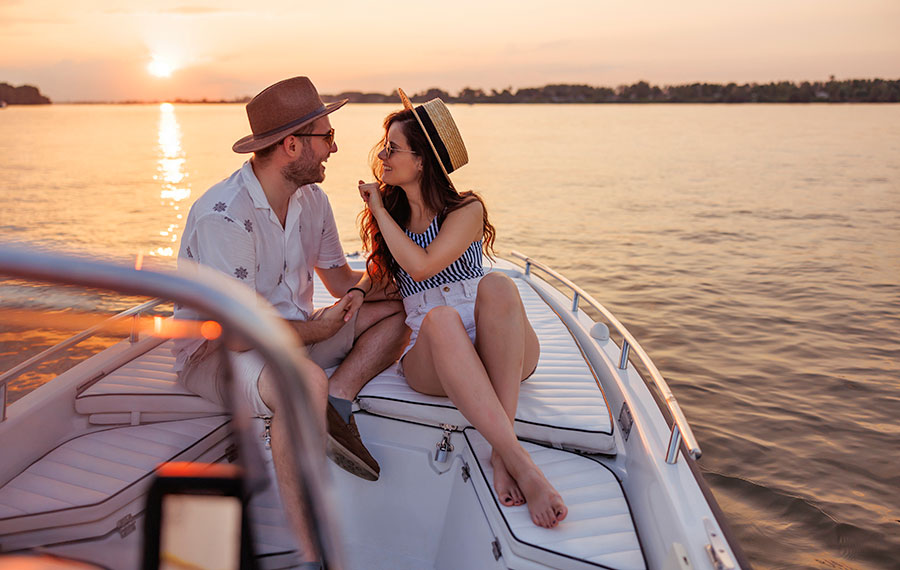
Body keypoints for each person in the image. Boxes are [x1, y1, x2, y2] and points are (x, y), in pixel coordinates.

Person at [173, 76, 409, 563]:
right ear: (292, 145)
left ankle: (337, 402)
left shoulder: (311, 200)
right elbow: (237, 338)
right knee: (302, 379)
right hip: (215, 354)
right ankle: (306, 554)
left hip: (292, 336)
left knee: (398, 310)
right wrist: (320, 329)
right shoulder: (224, 215)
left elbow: (342, 280)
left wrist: (419, 277)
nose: (335, 147)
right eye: (326, 136)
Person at [357, 89, 568, 528]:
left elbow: (422, 265)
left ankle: (502, 453)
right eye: (385, 147)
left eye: (393, 148)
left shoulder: (466, 209)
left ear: (422, 161)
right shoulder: (392, 219)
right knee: (440, 318)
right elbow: (381, 278)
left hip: (498, 349)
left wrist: (377, 208)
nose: (383, 156)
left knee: (498, 285)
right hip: (437, 355)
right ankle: (518, 461)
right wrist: (352, 287)